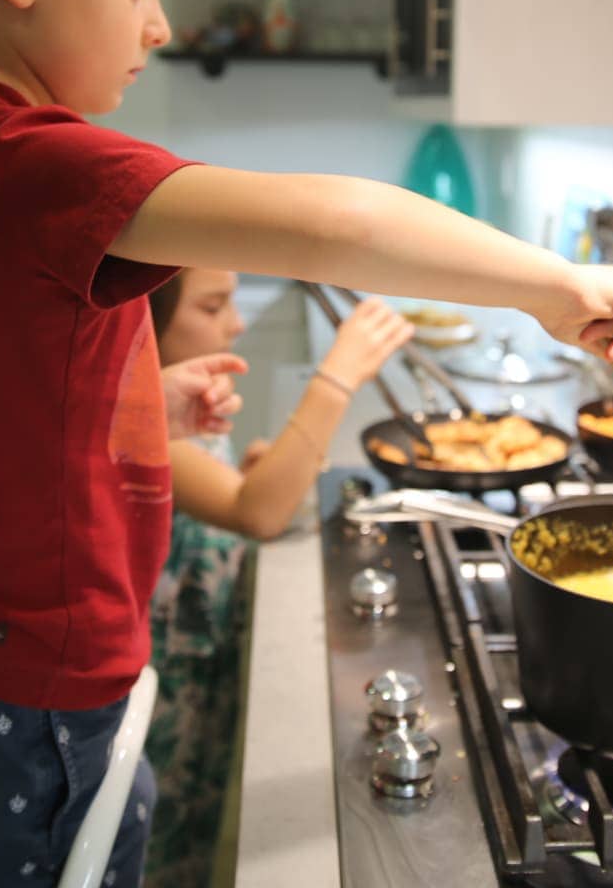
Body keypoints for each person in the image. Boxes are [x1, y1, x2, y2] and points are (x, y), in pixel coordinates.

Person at [0, 0, 613, 888]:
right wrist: (548, 281)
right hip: (21, 681)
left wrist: (136, 403)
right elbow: (332, 221)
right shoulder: (26, 161)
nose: (161, 24)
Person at [143, 273, 411, 885]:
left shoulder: (180, 397)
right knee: (165, 835)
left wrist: (252, 472)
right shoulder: (137, 416)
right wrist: (337, 376)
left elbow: (233, 496)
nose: (236, 322)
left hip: (201, 649)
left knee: (193, 815)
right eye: (213, 306)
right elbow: (256, 512)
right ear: (143, 318)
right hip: (168, 671)